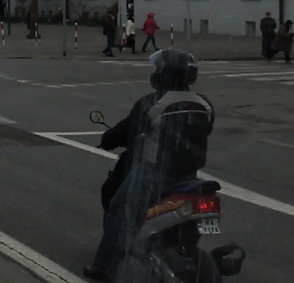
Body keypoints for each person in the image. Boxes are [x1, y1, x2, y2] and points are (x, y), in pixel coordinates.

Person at [84, 49, 214, 281]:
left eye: (158, 69)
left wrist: (108, 139)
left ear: (165, 73)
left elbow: (128, 130)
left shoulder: (154, 104)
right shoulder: (204, 104)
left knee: (118, 208)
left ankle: (103, 265)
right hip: (190, 177)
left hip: (155, 176)